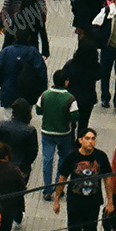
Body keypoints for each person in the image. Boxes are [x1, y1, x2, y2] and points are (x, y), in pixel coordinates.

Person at [53, 126, 113, 231]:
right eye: (87, 139)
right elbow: (62, 178)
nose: (90, 141)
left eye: (93, 139)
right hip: (75, 201)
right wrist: (57, 199)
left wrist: (110, 202)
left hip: (93, 201)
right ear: (80, 140)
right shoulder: (72, 156)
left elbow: (107, 180)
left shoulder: (101, 156)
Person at [38, 70, 78, 198]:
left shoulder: (45, 94)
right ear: (66, 82)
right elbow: (75, 116)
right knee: (63, 159)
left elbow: (38, 110)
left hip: (47, 132)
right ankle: (58, 186)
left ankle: (47, 189)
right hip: (64, 133)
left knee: (47, 160)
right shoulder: (70, 98)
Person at [0, 38, 46, 108]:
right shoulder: (34, 53)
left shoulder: (6, 51)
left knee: (8, 116)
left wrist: (2, 84)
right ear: (29, 36)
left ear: (15, 36)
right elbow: (42, 73)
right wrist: (41, 91)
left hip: (9, 94)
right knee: (25, 116)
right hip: (28, 95)